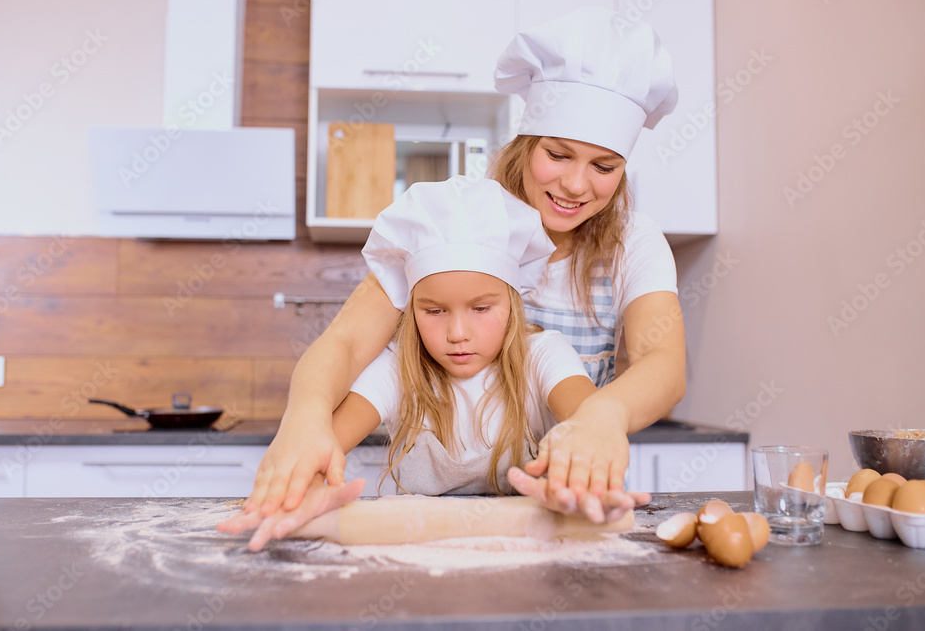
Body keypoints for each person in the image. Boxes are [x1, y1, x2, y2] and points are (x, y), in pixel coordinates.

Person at [231, 6, 685, 539]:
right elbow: (348, 343)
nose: (577, 185)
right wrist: (305, 420)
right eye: (558, 155)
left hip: (566, 502)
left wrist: (602, 416)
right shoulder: (455, 224)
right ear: (526, 145)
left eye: (604, 166)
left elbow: (663, 363)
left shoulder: (632, 243)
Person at [219, 176, 626, 549]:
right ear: (410, 310)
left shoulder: (544, 355)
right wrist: (304, 485)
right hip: (414, 558)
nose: (458, 333)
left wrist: (585, 463)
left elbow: (588, 418)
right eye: (434, 311)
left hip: (527, 557)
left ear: (513, 304)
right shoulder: (398, 370)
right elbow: (326, 445)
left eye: (481, 308)